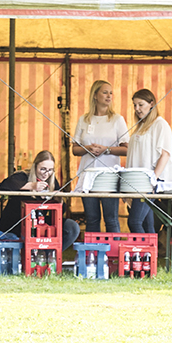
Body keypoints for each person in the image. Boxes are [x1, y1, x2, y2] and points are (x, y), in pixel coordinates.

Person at [0, 150, 80, 254]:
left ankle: (47, 256)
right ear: (35, 167)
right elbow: (3, 187)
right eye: (43, 169)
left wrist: (59, 200)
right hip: (17, 223)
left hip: (39, 224)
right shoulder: (22, 176)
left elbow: (60, 214)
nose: (46, 173)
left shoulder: (51, 181)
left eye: (50, 170)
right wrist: (31, 186)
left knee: (71, 227)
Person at [70, 79, 128, 233]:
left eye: (111, 93)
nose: (109, 96)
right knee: (92, 218)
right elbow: (75, 149)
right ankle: (92, 254)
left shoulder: (117, 119)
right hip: (88, 175)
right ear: (95, 95)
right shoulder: (84, 119)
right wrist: (87, 148)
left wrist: (106, 150)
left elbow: (127, 149)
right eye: (105, 92)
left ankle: (113, 255)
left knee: (110, 218)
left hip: (108, 176)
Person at [125, 88, 172, 234]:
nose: (137, 109)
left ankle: (142, 254)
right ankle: (151, 255)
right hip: (138, 181)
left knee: (134, 221)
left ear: (151, 104)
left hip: (149, 182)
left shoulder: (160, 124)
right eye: (134, 105)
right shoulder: (140, 125)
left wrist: (153, 178)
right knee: (147, 223)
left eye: (141, 104)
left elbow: (165, 154)